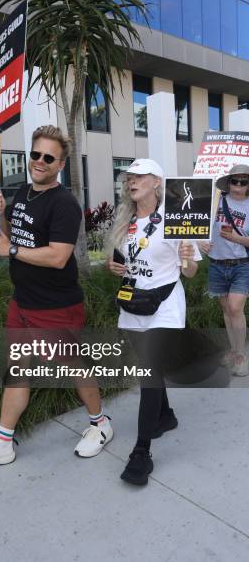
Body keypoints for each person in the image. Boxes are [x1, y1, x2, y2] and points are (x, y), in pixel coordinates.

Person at [0, 125, 112, 470]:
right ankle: (2, 444)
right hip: (23, 301)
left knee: (72, 366)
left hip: (57, 305)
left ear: (60, 164)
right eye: (35, 154)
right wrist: (3, 217)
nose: (39, 162)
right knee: (18, 370)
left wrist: (9, 247)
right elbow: (18, 237)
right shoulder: (21, 193)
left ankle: (100, 424)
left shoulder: (65, 204)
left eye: (48, 157)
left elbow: (58, 256)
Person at [107, 159, 201, 486]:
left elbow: (189, 273)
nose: (132, 181)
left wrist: (188, 258)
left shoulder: (176, 217)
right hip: (133, 302)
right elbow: (119, 262)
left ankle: (141, 452)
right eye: (129, 177)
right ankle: (166, 415)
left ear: (157, 181)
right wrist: (114, 267)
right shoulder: (125, 219)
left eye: (140, 176)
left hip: (166, 305)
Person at [201, 165, 249, 377]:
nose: (238, 186)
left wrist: (236, 238)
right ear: (228, 183)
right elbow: (199, 226)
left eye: (243, 182)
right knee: (227, 311)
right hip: (217, 263)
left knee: (235, 307)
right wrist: (201, 242)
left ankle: (241, 355)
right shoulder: (216, 201)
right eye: (234, 181)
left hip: (242, 264)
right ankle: (233, 349)